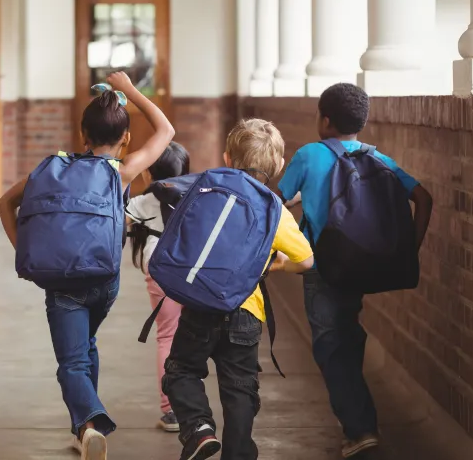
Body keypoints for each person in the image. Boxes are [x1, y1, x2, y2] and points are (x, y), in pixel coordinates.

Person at [0, 72, 174, 460]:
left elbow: (4, 203)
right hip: (104, 281)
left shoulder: (51, 170)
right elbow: (165, 129)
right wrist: (130, 90)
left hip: (61, 282)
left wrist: (23, 250)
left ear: (83, 135)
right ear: (125, 138)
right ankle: (84, 428)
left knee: (71, 362)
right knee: (85, 344)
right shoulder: (121, 172)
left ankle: (90, 422)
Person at [278, 83, 433, 458]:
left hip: (323, 267)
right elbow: (423, 198)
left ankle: (360, 429)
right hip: (361, 265)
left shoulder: (310, 154)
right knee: (345, 334)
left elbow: (276, 202)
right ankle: (356, 414)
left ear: (325, 119)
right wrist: (407, 252)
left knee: (330, 346)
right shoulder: (376, 157)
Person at [163, 119, 314, 460]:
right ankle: (238, 452)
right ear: (278, 165)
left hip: (200, 305)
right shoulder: (274, 210)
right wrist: (276, 265)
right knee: (240, 391)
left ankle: (199, 429)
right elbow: (306, 261)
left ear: (227, 158)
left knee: (181, 371)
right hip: (245, 313)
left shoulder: (208, 191)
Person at [125, 142, 191, 433]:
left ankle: (172, 410)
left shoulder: (139, 203)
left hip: (159, 272)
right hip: (192, 272)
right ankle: (194, 404)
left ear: (149, 173)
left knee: (167, 337)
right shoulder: (195, 199)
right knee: (195, 336)